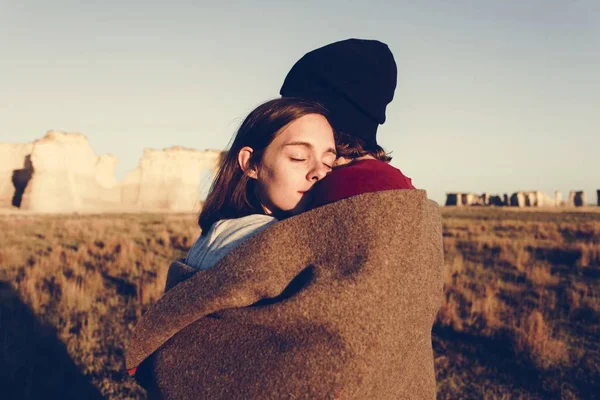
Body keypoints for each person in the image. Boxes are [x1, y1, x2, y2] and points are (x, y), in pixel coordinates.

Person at [184, 97, 336, 271]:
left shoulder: (216, 234)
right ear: (250, 163)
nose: (320, 172)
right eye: (298, 157)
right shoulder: (261, 241)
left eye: (328, 163)